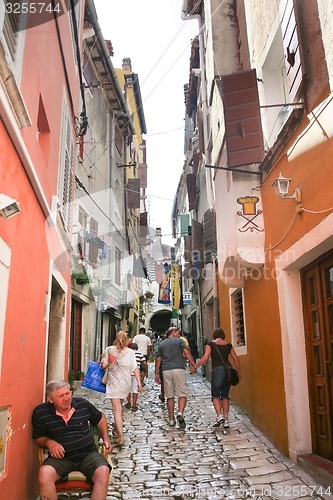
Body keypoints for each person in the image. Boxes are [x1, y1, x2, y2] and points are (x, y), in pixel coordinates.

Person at [32, 380, 111, 500]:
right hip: (61, 458)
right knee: (44, 473)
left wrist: (106, 439)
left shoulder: (82, 405)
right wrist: (49, 442)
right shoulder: (41, 413)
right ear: (50, 399)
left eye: (67, 394)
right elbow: (38, 438)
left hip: (88, 454)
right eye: (61, 396)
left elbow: (100, 418)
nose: (66, 399)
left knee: (103, 471)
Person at [101, 330, 142, 446]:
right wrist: (139, 383)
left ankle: (121, 436)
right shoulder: (130, 352)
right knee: (119, 409)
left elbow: (103, 365)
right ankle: (116, 429)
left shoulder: (109, 350)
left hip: (114, 384)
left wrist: (106, 361)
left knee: (117, 410)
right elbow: (135, 368)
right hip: (125, 384)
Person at [195, 327, 241, 429]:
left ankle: (220, 416)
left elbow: (206, 357)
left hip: (217, 370)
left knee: (215, 394)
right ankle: (226, 420)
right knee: (225, 395)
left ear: (214, 335)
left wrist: (196, 366)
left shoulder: (211, 344)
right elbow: (236, 360)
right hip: (228, 369)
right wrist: (239, 372)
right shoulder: (229, 345)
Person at [155, 326, 197, 428]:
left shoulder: (162, 344)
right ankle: (180, 413)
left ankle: (171, 420)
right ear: (173, 332)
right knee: (182, 393)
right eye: (178, 332)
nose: (179, 334)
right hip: (178, 369)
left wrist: (156, 374)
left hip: (166, 370)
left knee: (170, 396)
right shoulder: (179, 341)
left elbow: (158, 360)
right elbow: (186, 353)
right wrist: (193, 364)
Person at [126, 342, 147, 411]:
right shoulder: (140, 354)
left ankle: (128, 403)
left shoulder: (127, 353)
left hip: (128, 372)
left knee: (128, 389)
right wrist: (146, 371)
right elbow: (144, 363)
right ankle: (134, 405)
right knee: (135, 389)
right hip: (136, 373)